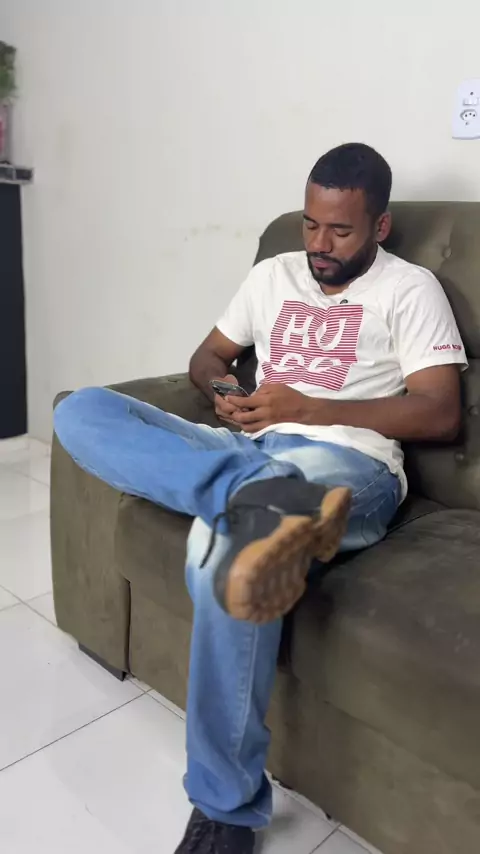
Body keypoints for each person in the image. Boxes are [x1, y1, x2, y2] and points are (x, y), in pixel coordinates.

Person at [54, 143, 466, 854]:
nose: (319, 244)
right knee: (82, 411)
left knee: (227, 555)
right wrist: (226, 394)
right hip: (248, 450)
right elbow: (208, 357)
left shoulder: (410, 289)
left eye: (340, 230)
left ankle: (227, 808)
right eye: (310, 224)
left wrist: (306, 408)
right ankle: (249, 495)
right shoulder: (274, 275)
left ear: (380, 226)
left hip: (347, 461)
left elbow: (440, 412)